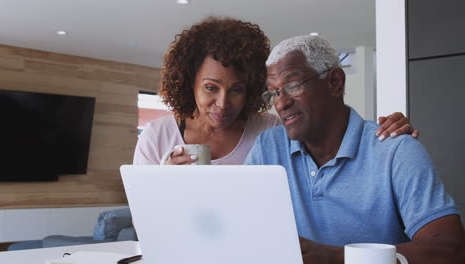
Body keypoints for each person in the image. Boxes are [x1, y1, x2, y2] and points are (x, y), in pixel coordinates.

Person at [245, 35, 465, 263]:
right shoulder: (267, 148)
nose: (281, 103)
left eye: (292, 85)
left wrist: (337, 258)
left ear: (335, 82)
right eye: (273, 92)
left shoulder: (395, 151)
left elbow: (451, 248)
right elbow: (239, 226)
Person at [133, 16, 417, 166]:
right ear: (188, 83)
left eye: (237, 89)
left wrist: (387, 134)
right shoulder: (158, 136)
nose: (222, 103)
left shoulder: (272, 132)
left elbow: (330, 141)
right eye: (210, 88)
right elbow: (141, 221)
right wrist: (164, 180)